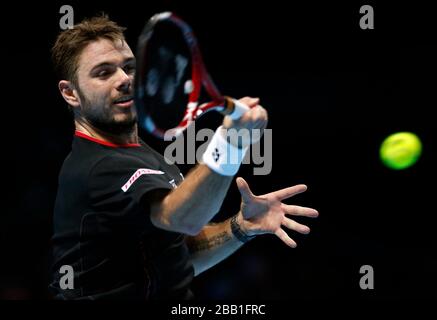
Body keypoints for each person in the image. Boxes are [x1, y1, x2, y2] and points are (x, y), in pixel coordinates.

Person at [49, 15, 319, 300]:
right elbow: (182, 219)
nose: (124, 79)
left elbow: (178, 258)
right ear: (70, 93)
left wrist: (241, 227)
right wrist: (231, 143)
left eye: (129, 68)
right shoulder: (98, 166)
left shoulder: (143, 155)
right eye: (103, 73)